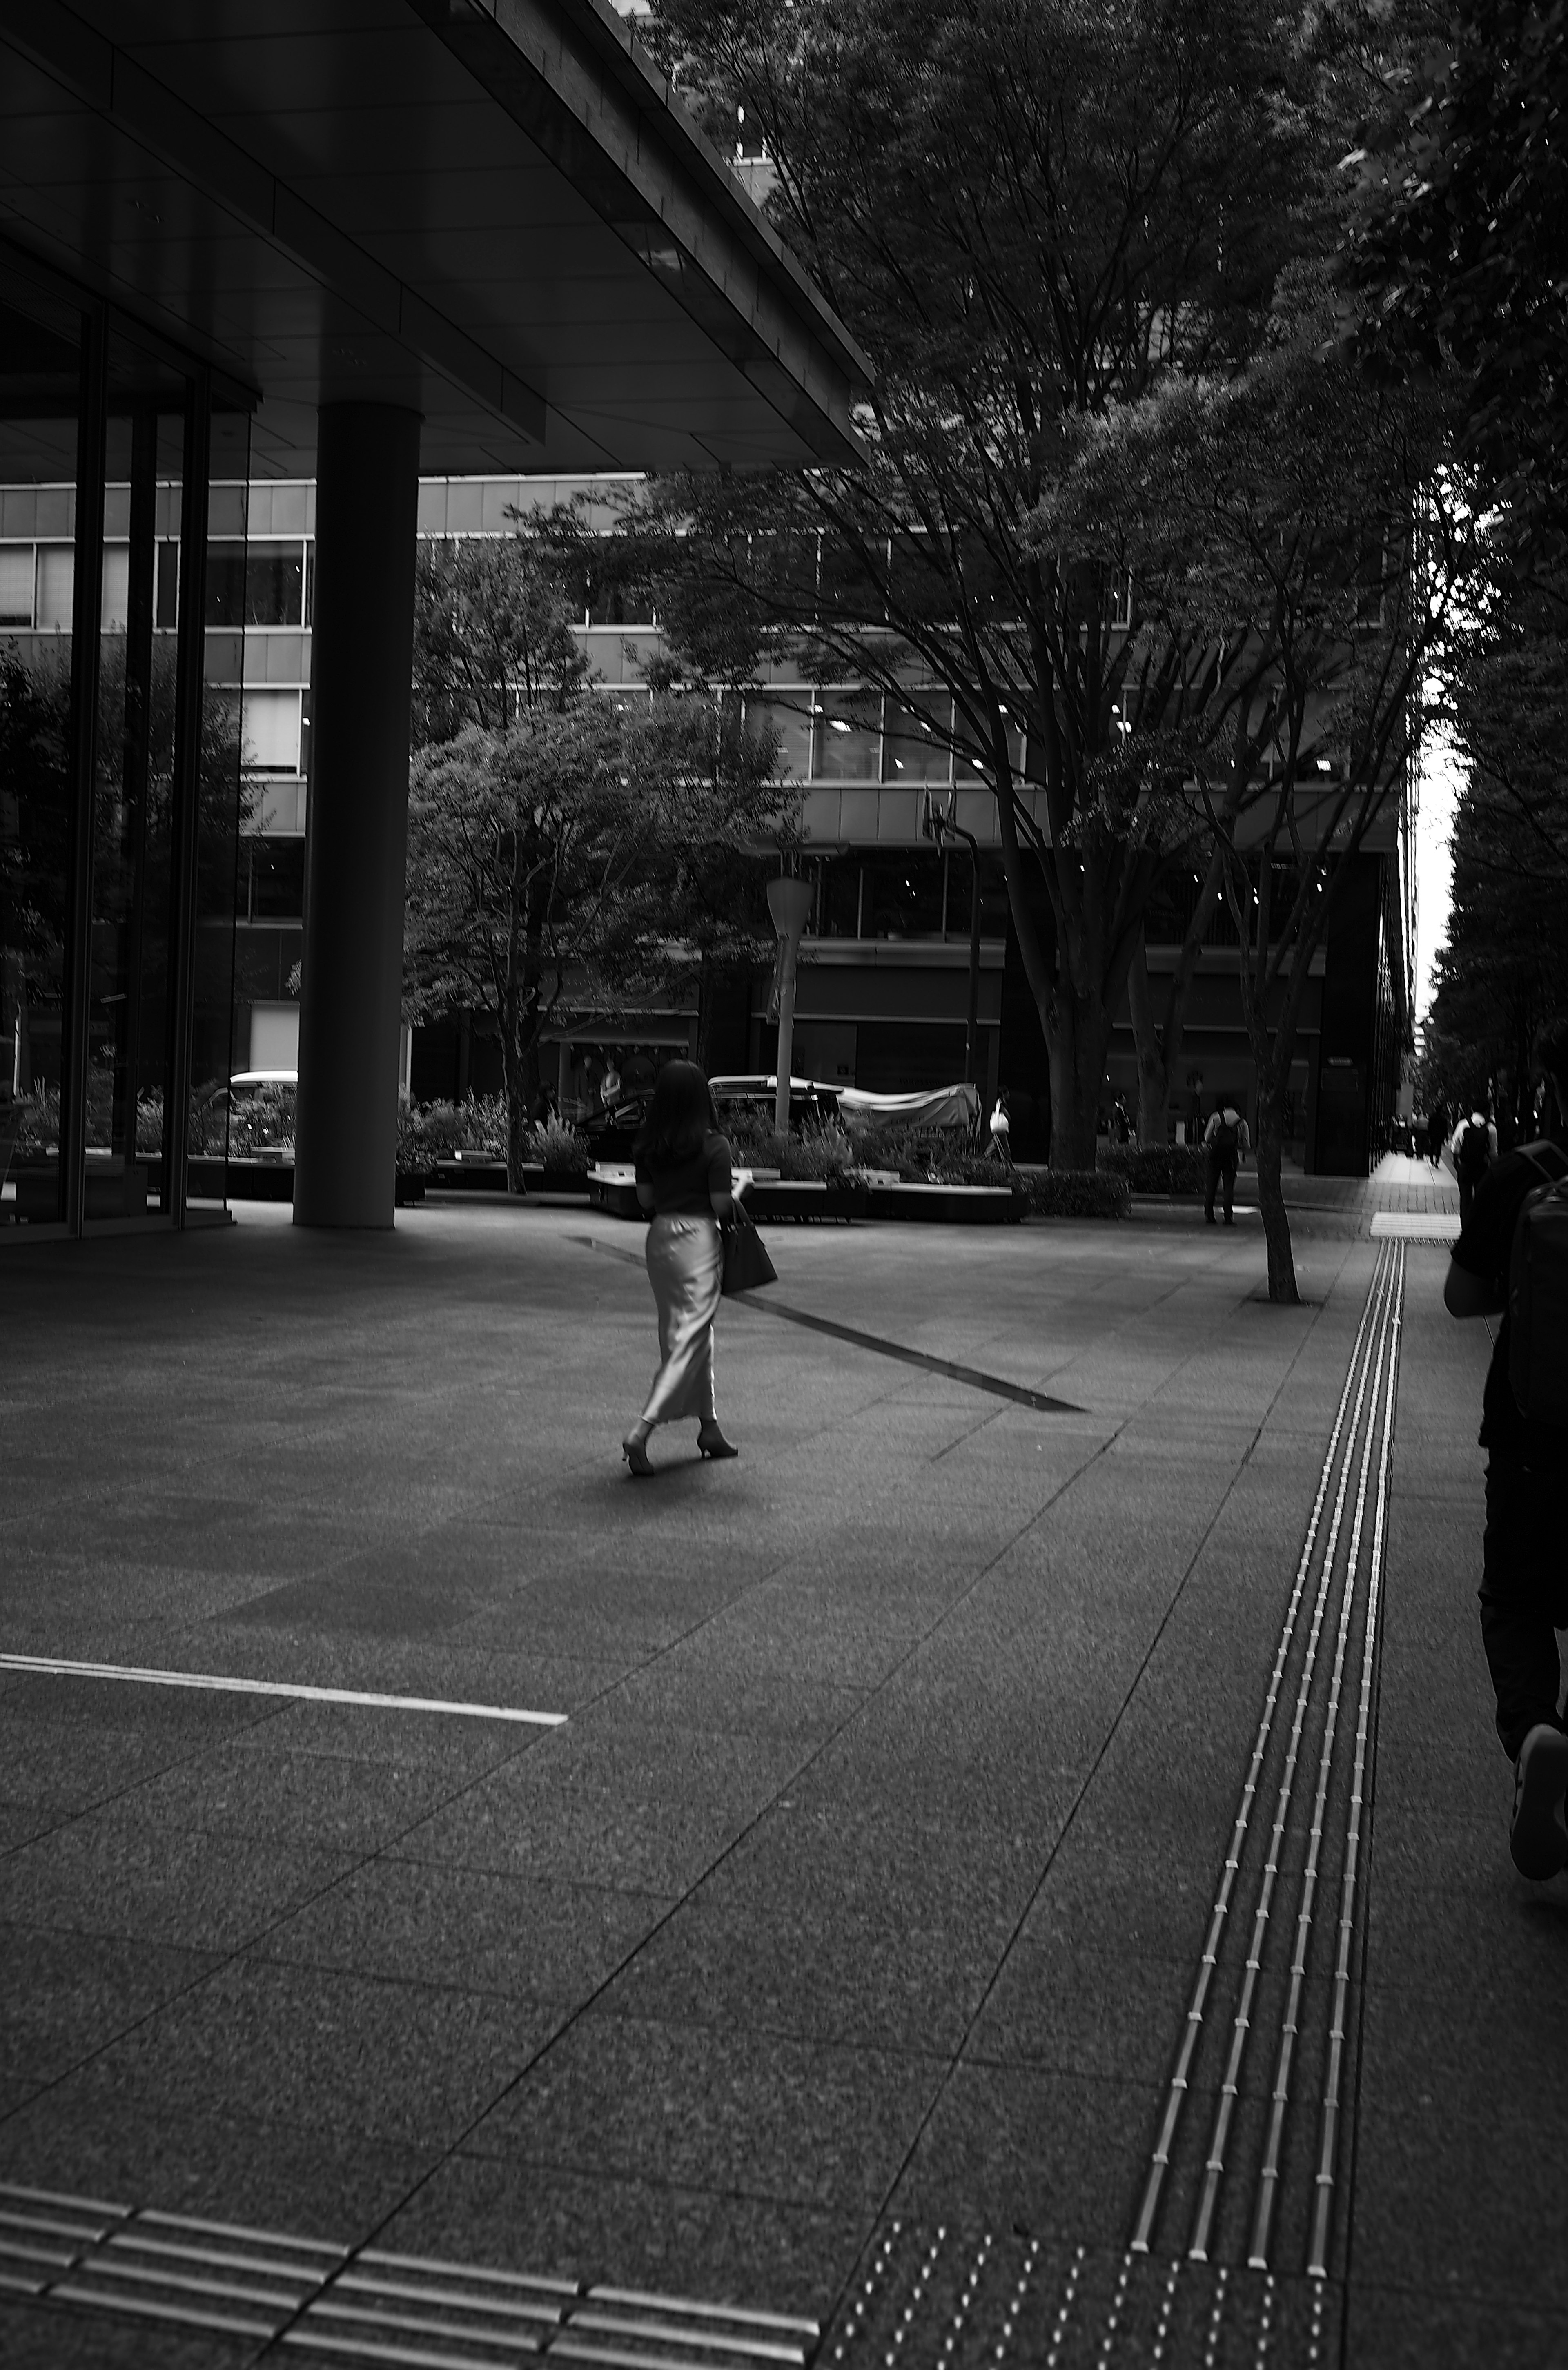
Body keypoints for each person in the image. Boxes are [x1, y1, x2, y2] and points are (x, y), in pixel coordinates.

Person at [1444, 1018, 1568, 1880]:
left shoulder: (1521, 1174)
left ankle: (1535, 1734)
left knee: (1516, 1602)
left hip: (1531, 1436)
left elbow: (1459, 1297)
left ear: (1552, 1088)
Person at [621, 1060, 739, 1476]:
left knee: (688, 1333)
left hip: (660, 1239)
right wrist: (739, 1191)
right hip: (699, 1242)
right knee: (690, 1335)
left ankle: (710, 1428)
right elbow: (722, 1205)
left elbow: (646, 1199)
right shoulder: (715, 1145)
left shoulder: (649, 1145)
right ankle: (641, 1429)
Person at [1202, 1096, 1250, 1226]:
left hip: (1216, 1155)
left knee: (1212, 1184)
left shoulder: (1216, 1117)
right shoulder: (1242, 1122)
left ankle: (1209, 1215)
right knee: (1229, 1187)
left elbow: (1207, 1137)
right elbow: (1246, 1144)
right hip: (1231, 1157)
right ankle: (1228, 1217)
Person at [1452, 1108, 1495, 1228]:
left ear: (1472, 1110)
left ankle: (1465, 1227)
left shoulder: (1463, 1124)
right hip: (1482, 1168)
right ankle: (1477, 1226)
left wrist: (1456, 1163)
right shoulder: (1491, 1128)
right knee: (1481, 1198)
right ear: (1486, 1112)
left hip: (1465, 1167)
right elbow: (1493, 1153)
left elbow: (1455, 1146)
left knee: (1465, 1198)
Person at [985, 1093, 1013, 1166]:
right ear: (1004, 1094)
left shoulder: (999, 1102)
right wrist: (1008, 1117)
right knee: (1005, 1148)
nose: (1009, 1095)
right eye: (1008, 1093)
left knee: (994, 1147)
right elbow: (1008, 1116)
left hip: (997, 1129)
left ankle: (981, 1160)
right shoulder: (1001, 1103)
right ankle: (1008, 1166)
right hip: (1000, 1129)